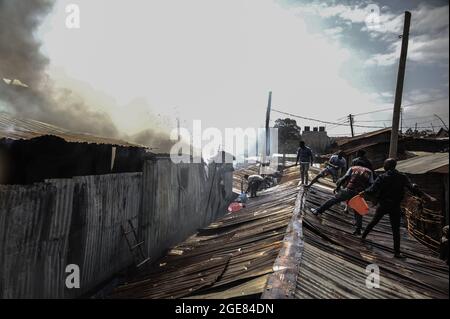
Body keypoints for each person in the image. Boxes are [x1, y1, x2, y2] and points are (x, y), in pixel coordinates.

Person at [360, 158, 436, 258]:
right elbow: (412, 188)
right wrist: (426, 196)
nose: (384, 166)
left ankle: (363, 237)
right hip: (395, 205)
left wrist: (364, 192)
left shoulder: (382, 177)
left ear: (388, 166)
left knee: (374, 221)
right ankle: (397, 252)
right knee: (395, 229)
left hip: (384, 204)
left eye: (385, 164)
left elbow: (373, 189)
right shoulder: (402, 177)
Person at [311, 160, 374, 235]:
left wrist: (338, 187)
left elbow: (345, 177)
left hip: (349, 189)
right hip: (359, 193)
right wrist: (366, 194)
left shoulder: (353, 168)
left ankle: (318, 211)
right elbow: (371, 184)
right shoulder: (369, 171)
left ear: (357, 164)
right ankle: (358, 229)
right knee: (358, 211)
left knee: (333, 200)